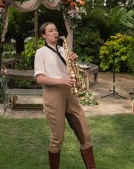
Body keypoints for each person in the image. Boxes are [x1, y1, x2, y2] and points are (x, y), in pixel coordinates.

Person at [34, 22, 96, 169]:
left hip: (71, 94)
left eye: (55, 30)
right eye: (50, 31)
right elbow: (39, 78)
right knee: (57, 139)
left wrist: (73, 61)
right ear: (44, 35)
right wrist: (61, 80)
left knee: (85, 135)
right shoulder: (40, 52)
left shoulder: (63, 50)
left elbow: (70, 70)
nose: (55, 32)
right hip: (53, 95)